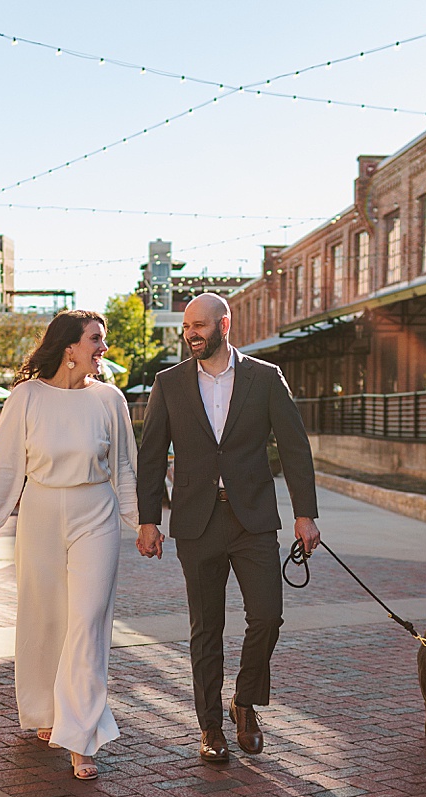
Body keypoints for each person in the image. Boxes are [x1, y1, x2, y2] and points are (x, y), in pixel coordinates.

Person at [135, 293, 320, 762]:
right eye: (186, 327)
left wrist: (305, 514)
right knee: (206, 628)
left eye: (199, 325)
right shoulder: (169, 383)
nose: (190, 333)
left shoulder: (265, 378)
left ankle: (245, 701)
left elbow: (295, 448)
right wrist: (149, 519)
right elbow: (152, 455)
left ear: (224, 324)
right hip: (196, 521)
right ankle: (210, 727)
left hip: (253, 519)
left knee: (267, 617)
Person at [0, 310, 139, 780]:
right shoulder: (26, 398)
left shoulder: (110, 399)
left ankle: (81, 734)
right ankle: (46, 710)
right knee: (45, 616)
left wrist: (142, 522)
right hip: (42, 514)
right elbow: (5, 463)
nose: (103, 349)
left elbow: (125, 467)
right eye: (96, 340)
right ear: (69, 347)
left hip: (96, 513)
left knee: (88, 621)